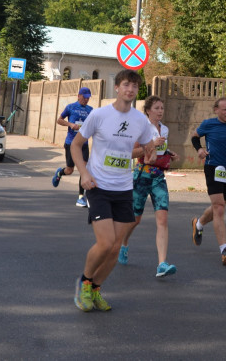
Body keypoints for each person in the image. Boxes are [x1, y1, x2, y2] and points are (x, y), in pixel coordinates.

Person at [71, 70, 158, 312]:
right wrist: (84, 174)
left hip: (123, 188)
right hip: (98, 185)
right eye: (126, 85)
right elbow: (77, 146)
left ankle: (96, 288)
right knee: (106, 242)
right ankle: (85, 282)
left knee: (116, 246)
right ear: (117, 88)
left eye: (135, 86)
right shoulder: (99, 115)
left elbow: (137, 152)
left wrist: (149, 150)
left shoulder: (140, 120)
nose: (130, 90)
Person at [118, 95, 177, 277]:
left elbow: (159, 150)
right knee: (136, 219)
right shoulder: (141, 128)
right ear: (148, 110)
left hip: (158, 176)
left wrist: (168, 153)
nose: (160, 111)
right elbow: (131, 152)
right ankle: (123, 244)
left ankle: (162, 264)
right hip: (142, 174)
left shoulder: (164, 129)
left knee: (163, 219)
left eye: (162, 108)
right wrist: (149, 146)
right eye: (157, 108)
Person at [190, 96, 226, 264]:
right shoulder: (208, 124)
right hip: (213, 166)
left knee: (219, 206)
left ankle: (199, 223)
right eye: (225, 109)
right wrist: (199, 149)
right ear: (216, 110)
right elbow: (195, 137)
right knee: (219, 207)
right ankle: (224, 249)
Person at [53, 86, 94, 207]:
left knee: (84, 168)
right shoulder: (70, 107)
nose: (86, 100)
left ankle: (81, 197)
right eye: (84, 97)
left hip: (84, 143)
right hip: (71, 143)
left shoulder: (91, 110)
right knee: (70, 170)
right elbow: (59, 120)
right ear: (79, 96)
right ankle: (60, 173)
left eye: (88, 98)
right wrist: (70, 124)